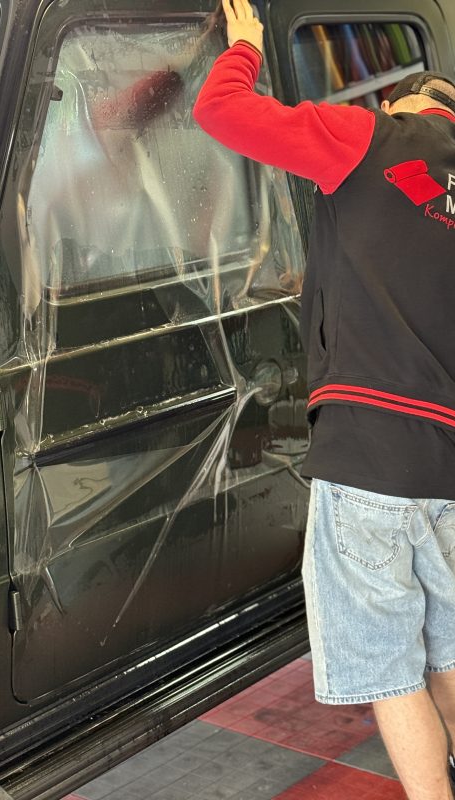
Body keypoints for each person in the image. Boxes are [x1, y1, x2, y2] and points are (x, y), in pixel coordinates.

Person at [193, 2, 455, 799]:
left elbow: (221, 112)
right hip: (449, 465)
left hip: (369, 457)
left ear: (400, 102)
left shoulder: (368, 136)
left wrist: (244, 47)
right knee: (449, 651)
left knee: (389, 668)